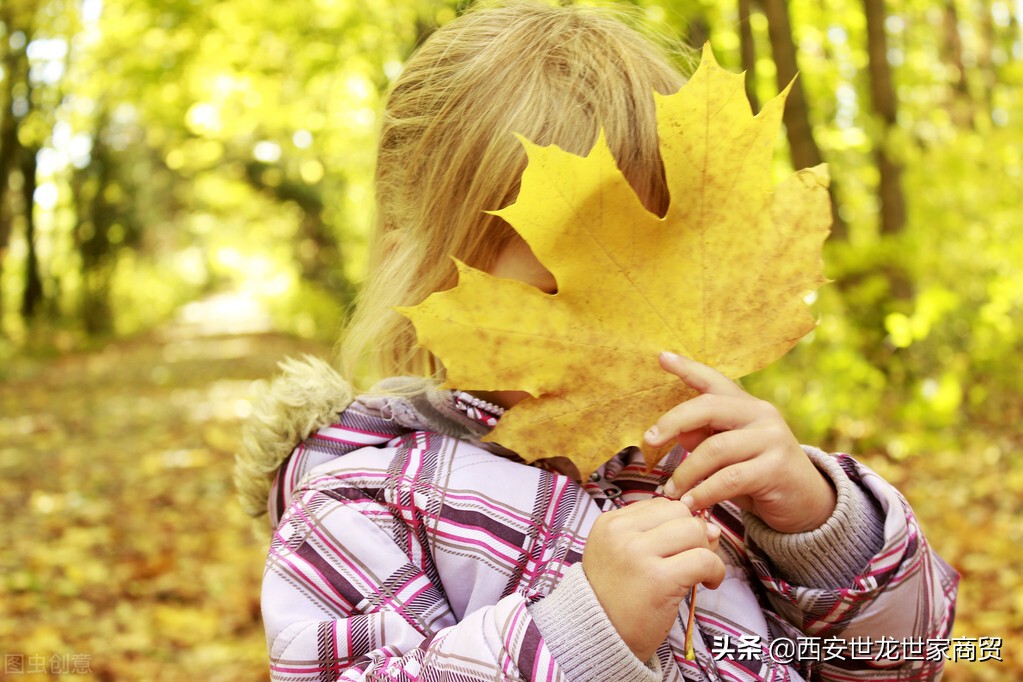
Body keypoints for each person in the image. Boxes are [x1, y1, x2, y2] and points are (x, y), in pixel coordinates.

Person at [236, 2, 958, 680]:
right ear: (419, 278)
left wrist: (818, 527)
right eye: (556, 296)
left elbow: (906, 657)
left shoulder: (709, 469)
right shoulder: (361, 509)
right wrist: (581, 634)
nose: (627, 344)